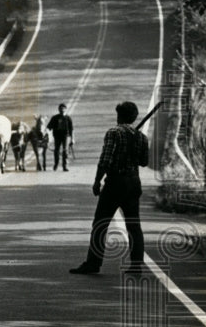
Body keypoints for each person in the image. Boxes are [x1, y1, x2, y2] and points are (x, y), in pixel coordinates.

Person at [70, 101, 149, 275]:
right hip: (133, 183)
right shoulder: (141, 137)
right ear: (134, 118)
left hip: (115, 183)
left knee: (101, 223)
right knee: (134, 226)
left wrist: (97, 181)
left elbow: (105, 160)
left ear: (119, 116)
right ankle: (136, 266)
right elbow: (144, 162)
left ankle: (93, 264)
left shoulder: (114, 132)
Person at [47, 103, 75, 171]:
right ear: (58, 109)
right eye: (60, 108)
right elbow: (49, 127)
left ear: (65, 109)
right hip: (57, 136)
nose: (62, 110)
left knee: (65, 150)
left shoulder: (68, 118)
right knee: (56, 150)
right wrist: (47, 136)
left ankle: (64, 166)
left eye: (63, 108)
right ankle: (56, 164)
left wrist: (72, 139)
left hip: (66, 136)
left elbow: (72, 129)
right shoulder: (55, 118)